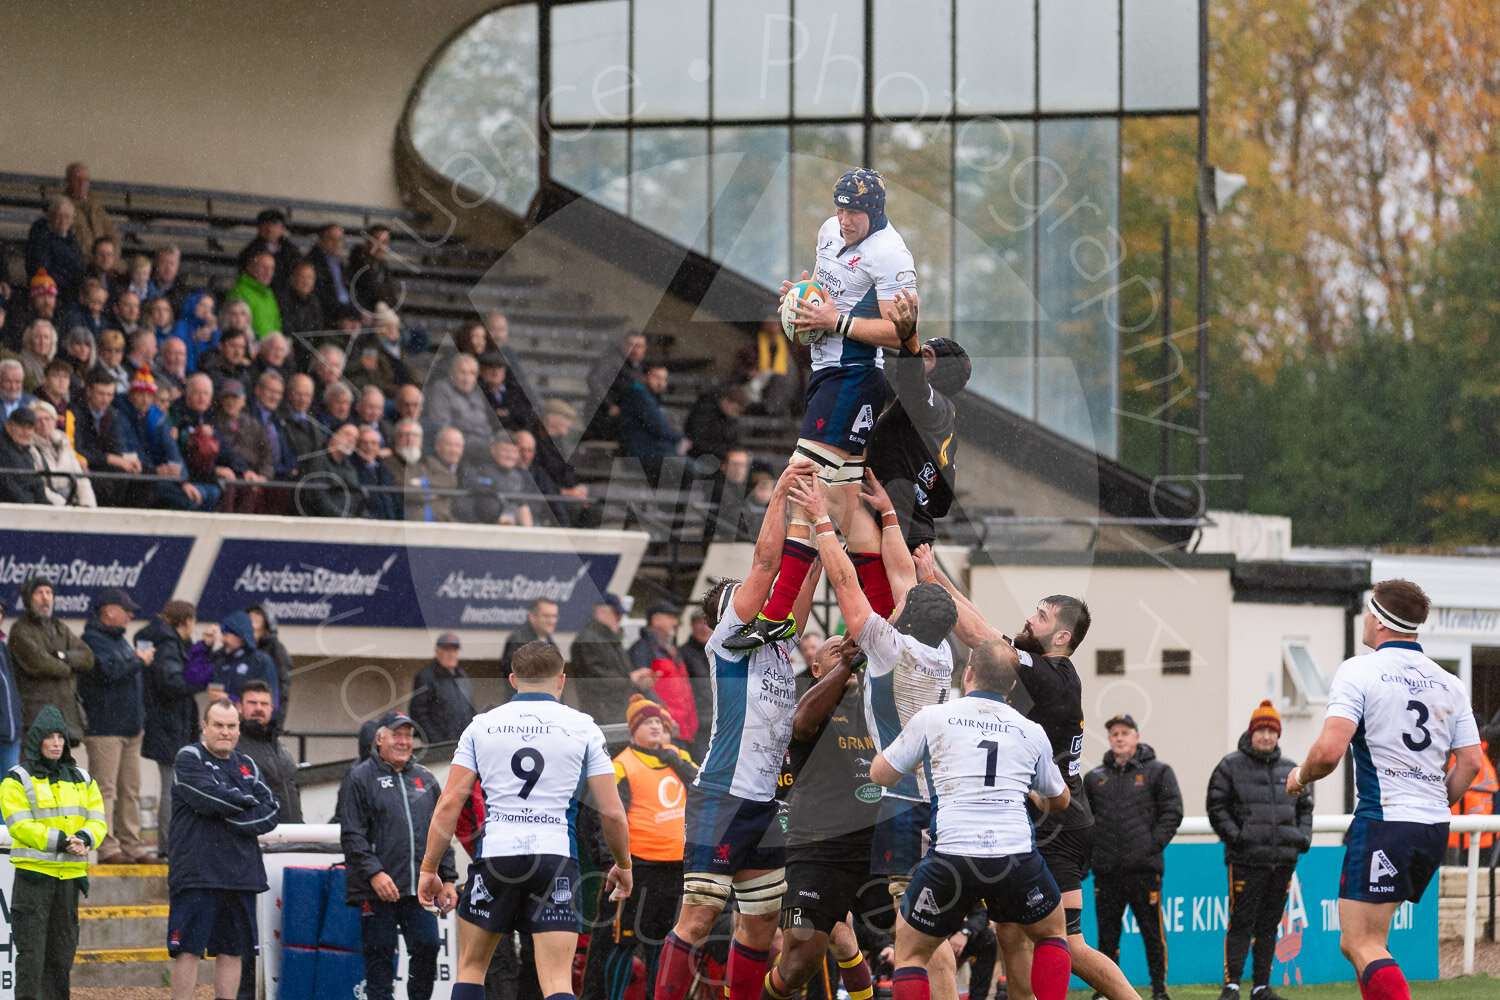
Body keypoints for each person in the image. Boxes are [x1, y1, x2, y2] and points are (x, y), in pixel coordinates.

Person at [916, 548, 1139, 1000]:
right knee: (1011, 932)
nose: (1029, 618)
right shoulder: (1049, 669)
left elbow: (982, 638)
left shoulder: (1052, 673)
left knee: (1067, 945)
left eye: (1040, 615)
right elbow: (984, 625)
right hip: (1059, 818)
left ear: (1060, 635)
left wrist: (930, 582)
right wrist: (936, 575)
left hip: (1058, 822)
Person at [725, 168, 916, 651]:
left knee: (803, 482)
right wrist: (803, 300)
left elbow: (900, 334)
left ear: (874, 212)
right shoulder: (829, 232)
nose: (844, 219)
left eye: (854, 211)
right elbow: (826, 295)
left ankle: (779, 614)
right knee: (845, 511)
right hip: (823, 372)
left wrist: (836, 319)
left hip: (855, 377)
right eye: (840, 208)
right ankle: (883, 617)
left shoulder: (892, 255)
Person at [791, 476, 960, 1000]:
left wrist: (822, 518)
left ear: (905, 619)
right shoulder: (941, 653)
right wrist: (889, 517)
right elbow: (905, 577)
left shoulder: (888, 648)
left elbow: (847, 584)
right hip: (936, 797)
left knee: (911, 939)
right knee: (926, 930)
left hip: (900, 805)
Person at [653, 462, 816, 1000]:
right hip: (723, 795)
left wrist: (823, 522)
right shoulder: (726, 639)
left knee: (759, 928)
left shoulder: (777, 644)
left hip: (765, 803)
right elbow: (769, 564)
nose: (758, 596)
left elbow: (801, 583)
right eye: (743, 593)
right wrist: (783, 499)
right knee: (698, 922)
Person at [1285, 579, 1483, 1000]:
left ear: (1376, 620)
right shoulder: (1449, 681)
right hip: (1433, 825)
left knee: (1360, 942)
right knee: (1374, 942)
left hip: (1385, 820)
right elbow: (1471, 763)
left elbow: (1330, 750)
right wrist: (1433, 801)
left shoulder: (1359, 669)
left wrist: (1300, 776)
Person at [416, 642, 633, 1000]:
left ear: (514, 680)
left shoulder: (481, 726)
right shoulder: (584, 727)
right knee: (558, 982)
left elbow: (449, 804)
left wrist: (429, 867)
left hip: (497, 856)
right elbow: (611, 811)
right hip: (555, 858)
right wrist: (623, 863)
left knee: (471, 969)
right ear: (561, 680)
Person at [869, 640, 1074, 1000]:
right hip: (1014, 857)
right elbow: (1061, 799)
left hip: (953, 855)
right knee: (1052, 934)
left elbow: (881, 775)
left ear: (968, 673)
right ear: (1012, 685)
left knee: (912, 950)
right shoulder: (1031, 730)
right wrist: (1032, 796)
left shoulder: (933, 717)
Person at [761, 634, 881, 1000]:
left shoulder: (878, 706)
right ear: (815, 668)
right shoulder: (809, 706)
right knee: (799, 964)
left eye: (853, 650)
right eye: (836, 651)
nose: (849, 654)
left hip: (878, 848)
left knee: (916, 943)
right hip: (819, 851)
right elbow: (801, 724)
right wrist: (847, 664)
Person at [167, 699, 281, 1000]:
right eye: (218, 725)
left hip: (241, 874)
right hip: (196, 873)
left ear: (239, 729)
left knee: (232, 952)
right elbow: (207, 798)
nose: (225, 732)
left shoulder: (248, 764)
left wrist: (231, 814)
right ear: (204, 727)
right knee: (188, 951)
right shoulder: (188, 757)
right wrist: (245, 802)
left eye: (231, 726)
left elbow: (271, 812)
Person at [339, 711, 456, 1000]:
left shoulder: (425, 778)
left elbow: (440, 832)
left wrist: (449, 879)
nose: (404, 741)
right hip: (377, 889)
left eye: (408, 736)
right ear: (380, 739)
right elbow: (352, 835)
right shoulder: (359, 778)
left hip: (420, 889)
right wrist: (375, 873)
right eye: (396, 735)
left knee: (428, 946)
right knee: (379, 957)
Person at [587, 695, 698, 1000]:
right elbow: (604, 819)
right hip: (637, 872)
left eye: (659, 723)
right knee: (618, 945)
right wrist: (611, 861)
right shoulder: (622, 765)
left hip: (678, 872)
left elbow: (705, 787)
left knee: (665, 949)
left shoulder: (679, 757)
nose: (654, 727)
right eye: (647, 722)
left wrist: (674, 760)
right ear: (633, 729)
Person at [1208, 701, 1314, 1000]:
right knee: (1241, 923)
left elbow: (1305, 808)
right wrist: (1237, 838)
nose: (1266, 736)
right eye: (1261, 730)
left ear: (1278, 734)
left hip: (1281, 862)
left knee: (1269, 926)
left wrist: (1301, 838)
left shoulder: (1291, 769)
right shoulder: (1230, 765)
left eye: (1272, 731)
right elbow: (1217, 807)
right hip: (1246, 861)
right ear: (1251, 732)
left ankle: (1260, 987)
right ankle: (1231, 986)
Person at [2, 705, 107, 1000]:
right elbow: (19, 825)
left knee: (61, 957)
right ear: (37, 740)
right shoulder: (17, 778)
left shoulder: (83, 778)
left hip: (69, 880)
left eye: (61, 736)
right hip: (33, 880)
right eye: (50, 736)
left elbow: (97, 819)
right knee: (31, 957)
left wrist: (85, 838)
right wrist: (61, 841)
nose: (57, 742)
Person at [1084, 714, 1184, 1000]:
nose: (1119, 738)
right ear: (1109, 739)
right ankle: (1106, 991)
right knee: (1107, 935)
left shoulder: (1158, 772)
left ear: (1136, 737)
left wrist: (1151, 846)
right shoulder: (1095, 777)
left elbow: (1173, 812)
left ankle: (1159, 990)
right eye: (1114, 733)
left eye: (1125, 732)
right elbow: (1086, 821)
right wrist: (1093, 856)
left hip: (1143, 870)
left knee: (1152, 933)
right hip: (1107, 872)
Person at [865, 290, 970, 549]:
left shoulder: (933, 407)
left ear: (938, 368)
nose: (915, 354)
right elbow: (942, 503)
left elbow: (912, 385)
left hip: (896, 536)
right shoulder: (945, 419)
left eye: (924, 355)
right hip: (913, 537)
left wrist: (909, 339)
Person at [77, 587, 153, 865]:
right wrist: (137, 660)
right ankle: (108, 849)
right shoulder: (91, 640)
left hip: (131, 728)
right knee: (104, 791)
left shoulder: (120, 641)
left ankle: (132, 845)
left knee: (130, 790)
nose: (131, 615)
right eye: (126, 609)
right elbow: (109, 672)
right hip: (104, 729)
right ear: (109, 610)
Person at [138, 602, 213, 858]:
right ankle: (171, 848)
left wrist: (205, 649)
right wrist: (201, 682)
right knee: (174, 787)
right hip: (170, 725)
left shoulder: (162, 640)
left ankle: (172, 846)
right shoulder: (168, 645)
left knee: (175, 786)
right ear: (187, 621)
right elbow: (172, 683)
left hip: (170, 724)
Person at [7, 576, 95, 744]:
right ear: (29, 598)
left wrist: (63, 656)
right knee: (35, 769)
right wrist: (68, 667)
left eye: (49, 592)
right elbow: (41, 663)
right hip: (35, 718)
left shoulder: (60, 628)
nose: (45, 597)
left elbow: (88, 657)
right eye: (39, 593)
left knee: (58, 769)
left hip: (64, 718)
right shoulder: (20, 630)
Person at [628, 602, 698, 754]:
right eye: (671, 617)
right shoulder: (642, 649)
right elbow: (642, 689)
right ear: (656, 620)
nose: (675, 623)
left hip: (684, 730)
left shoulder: (672, 650)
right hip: (664, 730)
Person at [235, 681, 302, 824]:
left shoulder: (280, 747)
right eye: (252, 703)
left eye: (264, 704)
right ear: (239, 707)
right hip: (262, 838)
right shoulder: (235, 748)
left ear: (272, 708)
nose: (258, 708)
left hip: (293, 835)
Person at [568, 594, 637, 725]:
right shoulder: (588, 640)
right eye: (616, 613)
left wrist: (635, 680)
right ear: (601, 612)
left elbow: (621, 672)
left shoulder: (611, 639)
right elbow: (596, 679)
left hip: (618, 711)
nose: (620, 619)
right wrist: (629, 680)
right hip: (602, 715)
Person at [618, 363, 686, 485]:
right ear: (644, 377)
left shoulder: (648, 396)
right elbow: (659, 428)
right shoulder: (639, 394)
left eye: (664, 379)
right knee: (689, 469)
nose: (661, 383)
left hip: (651, 452)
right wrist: (681, 438)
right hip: (643, 454)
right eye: (656, 377)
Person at [409, 633, 477, 743]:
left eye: (454, 651)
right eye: (447, 650)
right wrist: (436, 741)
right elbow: (419, 713)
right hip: (440, 748)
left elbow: (471, 710)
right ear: (437, 652)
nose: (451, 654)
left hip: (462, 745)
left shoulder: (462, 676)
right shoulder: (426, 677)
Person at [211, 611, 280, 708]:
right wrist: (205, 646)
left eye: (226, 635)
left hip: (251, 722)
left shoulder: (261, 661)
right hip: (224, 720)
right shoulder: (222, 660)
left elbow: (270, 703)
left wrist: (230, 699)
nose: (222, 639)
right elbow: (192, 682)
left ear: (240, 636)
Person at [296, 423, 366, 518]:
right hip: (322, 522)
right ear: (334, 435)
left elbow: (357, 495)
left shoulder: (348, 465)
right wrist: (344, 517)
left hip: (346, 521)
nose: (351, 441)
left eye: (355, 439)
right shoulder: (317, 460)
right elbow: (318, 498)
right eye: (347, 434)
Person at [236, 208, 301, 290]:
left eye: (275, 225)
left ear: (282, 228)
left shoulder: (291, 250)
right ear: (258, 228)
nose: (270, 229)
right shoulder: (250, 252)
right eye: (265, 224)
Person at [684, 383, 747, 465]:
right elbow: (698, 442)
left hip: (721, 458)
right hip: (700, 456)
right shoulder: (703, 412)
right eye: (735, 409)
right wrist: (725, 453)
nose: (736, 414)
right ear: (725, 401)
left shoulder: (730, 419)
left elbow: (736, 442)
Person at [227, 251, 282, 340]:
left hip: (270, 351)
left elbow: (276, 324)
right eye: (264, 267)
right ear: (250, 268)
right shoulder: (239, 292)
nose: (268, 272)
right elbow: (236, 327)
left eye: (271, 268)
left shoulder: (269, 293)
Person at [499, 598, 559, 677]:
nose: (551, 621)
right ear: (532, 617)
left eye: (554, 616)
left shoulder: (550, 642)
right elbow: (514, 673)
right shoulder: (518, 641)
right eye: (546, 616)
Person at [0, 407, 48, 504]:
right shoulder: (2, 449)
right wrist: (31, 505)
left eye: (30, 428)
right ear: (9, 426)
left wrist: (46, 506)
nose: (26, 432)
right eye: (22, 427)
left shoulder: (27, 452)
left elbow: (36, 484)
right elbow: (8, 486)